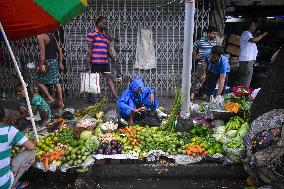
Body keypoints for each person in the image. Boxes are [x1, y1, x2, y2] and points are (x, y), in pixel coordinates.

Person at [0, 106, 35, 189]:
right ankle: (13, 184)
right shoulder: (8, 131)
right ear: (3, 119)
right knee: (32, 152)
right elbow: (31, 146)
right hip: (3, 185)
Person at [86, 16, 118, 102]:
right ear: (98, 23)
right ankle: (93, 97)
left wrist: (113, 59)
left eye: (106, 23)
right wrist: (88, 63)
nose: (105, 25)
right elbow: (89, 50)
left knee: (109, 78)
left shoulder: (105, 35)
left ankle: (116, 97)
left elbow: (107, 49)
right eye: (104, 23)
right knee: (95, 80)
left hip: (105, 62)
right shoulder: (91, 34)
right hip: (96, 61)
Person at [36, 32, 64, 108]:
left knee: (38, 81)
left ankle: (49, 97)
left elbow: (42, 52)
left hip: (47, 62)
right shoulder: (52, 36)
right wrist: (60, 62)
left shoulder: (40, 35)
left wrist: (41, 65)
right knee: (56, 82)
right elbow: (59, 49)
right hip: (54, 61)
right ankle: (60, 102)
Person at [191, 26, 218, 100]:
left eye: (215, 34)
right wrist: (195, 56)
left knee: (207, 81)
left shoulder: (215, 42)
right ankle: (192, 96)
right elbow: (193, 46)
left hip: (211, 65)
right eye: (213, 34)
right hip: (201, 64)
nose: (214, 35)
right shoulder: (201, 41)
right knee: (198, 80)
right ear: (208, 33)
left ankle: (204, 95)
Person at [238, 21, 268, 87]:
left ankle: (241, 94)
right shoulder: (246, 33)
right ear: (249, 26)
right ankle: (243, 95)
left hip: (247, 60)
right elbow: (254, 40)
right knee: (245, 80)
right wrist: (262, 35)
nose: (255, 27)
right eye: (254, 26)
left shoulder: (248, 34)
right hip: (247, 61)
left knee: (244, 80)